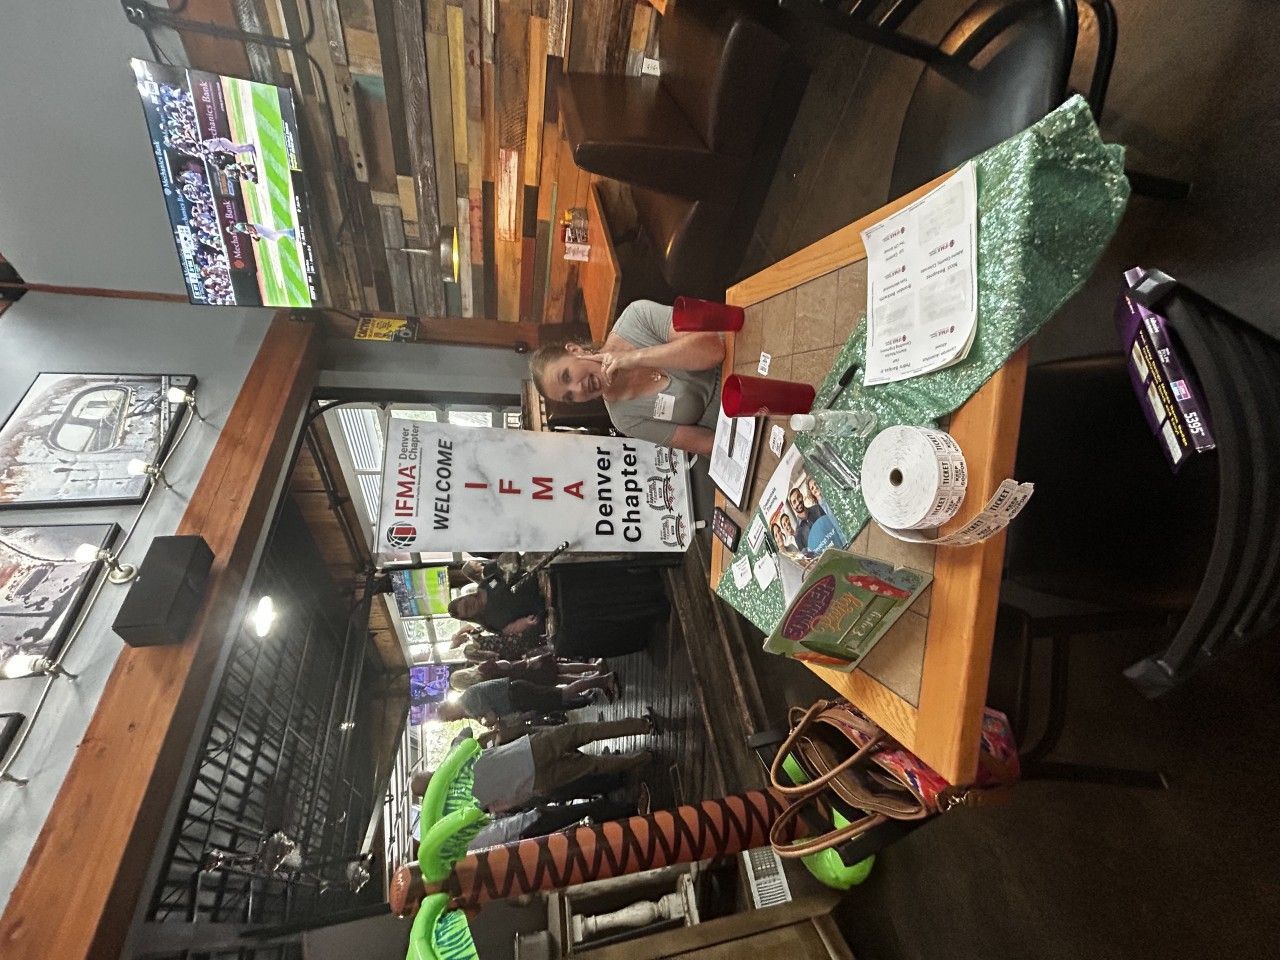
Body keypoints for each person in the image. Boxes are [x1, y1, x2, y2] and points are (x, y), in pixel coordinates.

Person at [528, 300, 726, 456]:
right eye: (569, 396)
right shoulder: (623, 419)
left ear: (574, 350)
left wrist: (635, 358)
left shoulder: (636, 318)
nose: (578, 389)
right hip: (735, 423)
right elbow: (706, 443)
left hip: (741, 358)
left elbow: (714, 349)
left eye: (566, 376)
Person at [414, 713, 661, 813]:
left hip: (534, 782)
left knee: (592, 766)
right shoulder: (453, 761)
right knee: (585, 732)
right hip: (528, 751)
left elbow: (495, 806)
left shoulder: (459, 805)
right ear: (431, 775)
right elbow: (466, 732)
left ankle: (643, 758)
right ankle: (643, 725)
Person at [439, 673, 619, 726]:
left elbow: (492, 718)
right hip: (518, 692)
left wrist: (486, 722)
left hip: (518, 696)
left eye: (448, 717)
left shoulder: (468, 702)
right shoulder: (468, 700)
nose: (452, 720)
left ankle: (604, 680)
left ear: (449, 707)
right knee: (561, 696)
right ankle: (601, 683)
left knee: (563, 694)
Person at [448, 558, 545, 636]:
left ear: (465, 597)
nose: (469, 606)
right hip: (539, 606)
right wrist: (525, 622)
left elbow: (500, 575)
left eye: (466, 603)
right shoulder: (488, 623)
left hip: (538, 579)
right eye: (467, 610)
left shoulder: (484, 586)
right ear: (468, 617)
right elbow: (509, 629)